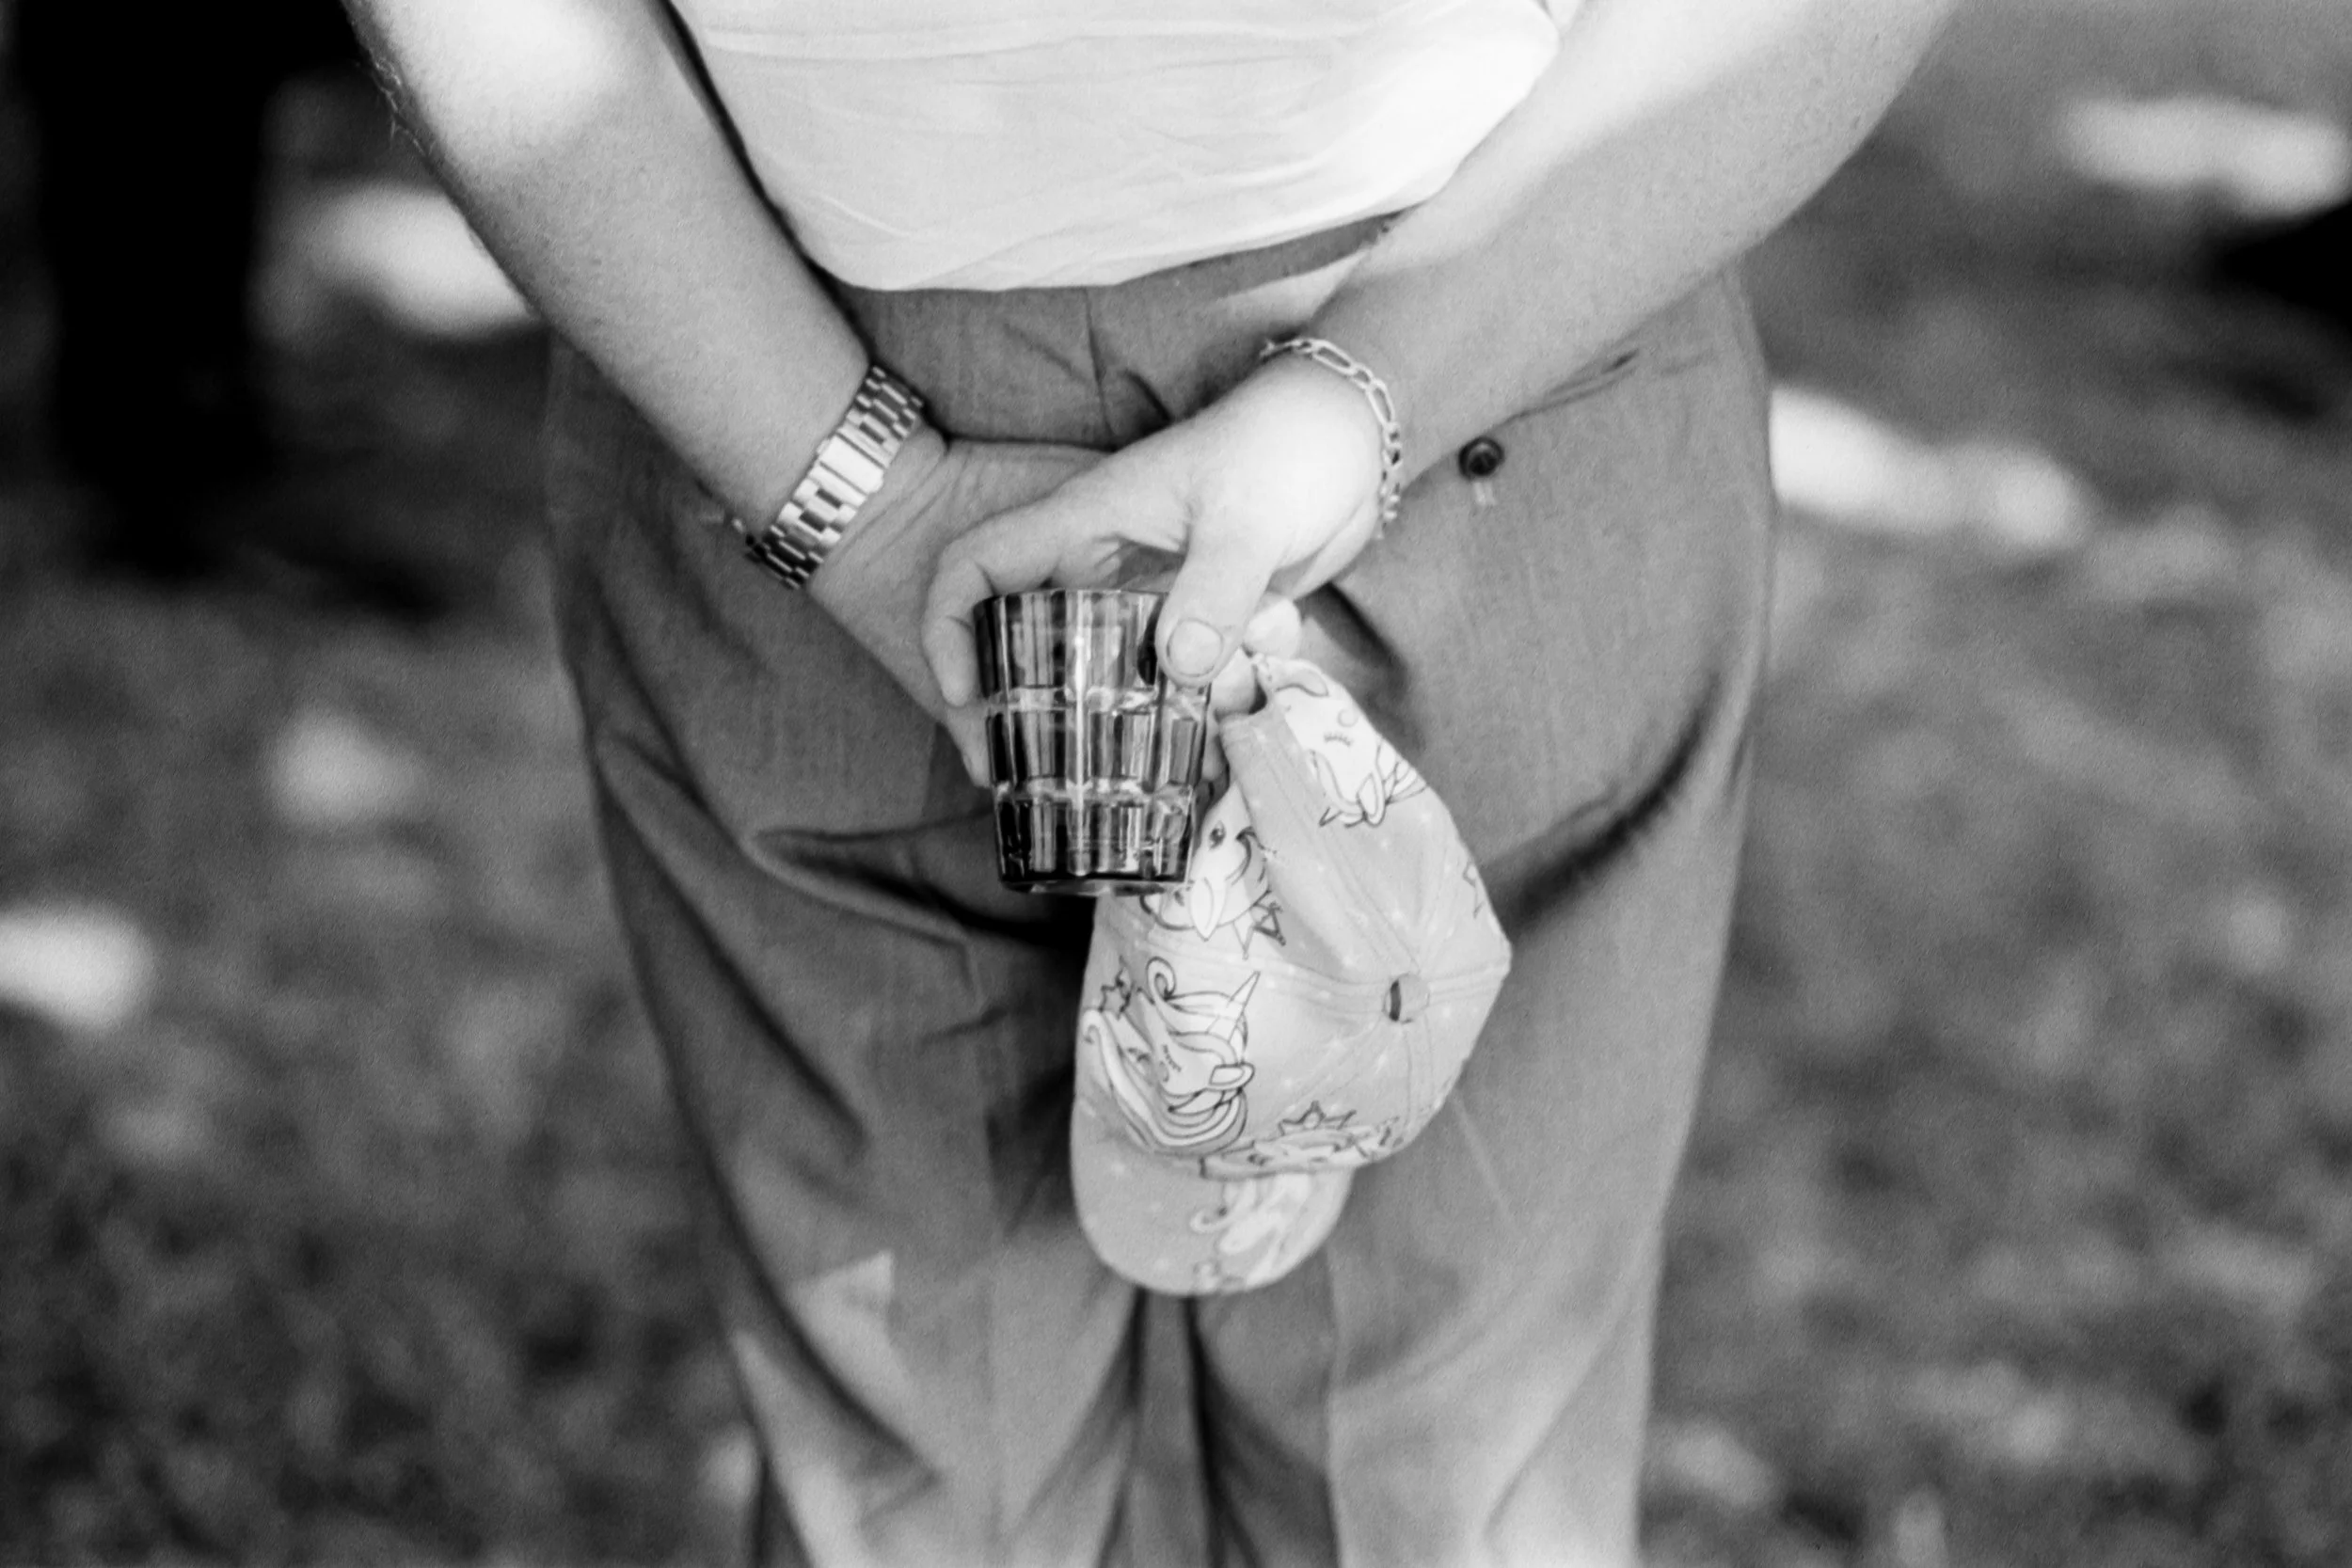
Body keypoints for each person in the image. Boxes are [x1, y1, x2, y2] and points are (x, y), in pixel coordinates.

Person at [342, 2, 1953, 1562]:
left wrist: (861, 497)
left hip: (781, 369)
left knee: (916, 1472)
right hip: (1480, 365)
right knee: (1432, 1480)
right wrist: (1356, 411)